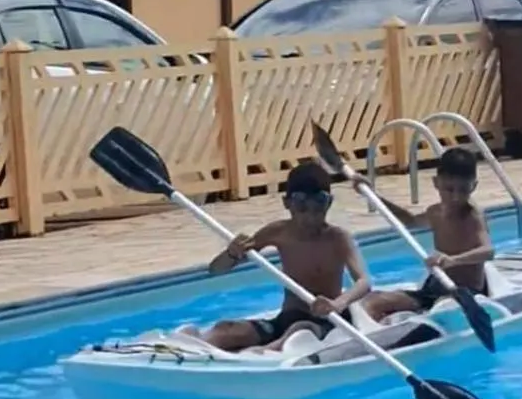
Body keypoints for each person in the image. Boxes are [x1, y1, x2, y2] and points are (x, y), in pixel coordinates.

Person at [201, 160, 371, 353]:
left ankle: (261, 354)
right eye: (302, 209)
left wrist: (338, 303)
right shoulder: (278, 232)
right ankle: (193, 347)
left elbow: (364, 282)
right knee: (226, 329)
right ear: (287, 204)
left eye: (318, 210)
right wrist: (232, 252)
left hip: (329, 322)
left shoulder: (338, 238)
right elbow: (216, 269)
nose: (310, 218)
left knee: (300, 330)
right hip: (288, 317)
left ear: (328, 203)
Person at [361, 146, 494, 325]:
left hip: (465, 292)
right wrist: (373, 196)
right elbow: (409, 221)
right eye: (449, 189)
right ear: (436, 182)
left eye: (464, 190)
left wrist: (454, 260)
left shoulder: (473, 216)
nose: (456, 197)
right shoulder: (435, 213)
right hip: (435, 288)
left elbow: (488, 251)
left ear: (474, 186)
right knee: (372, 302)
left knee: (443, 306)